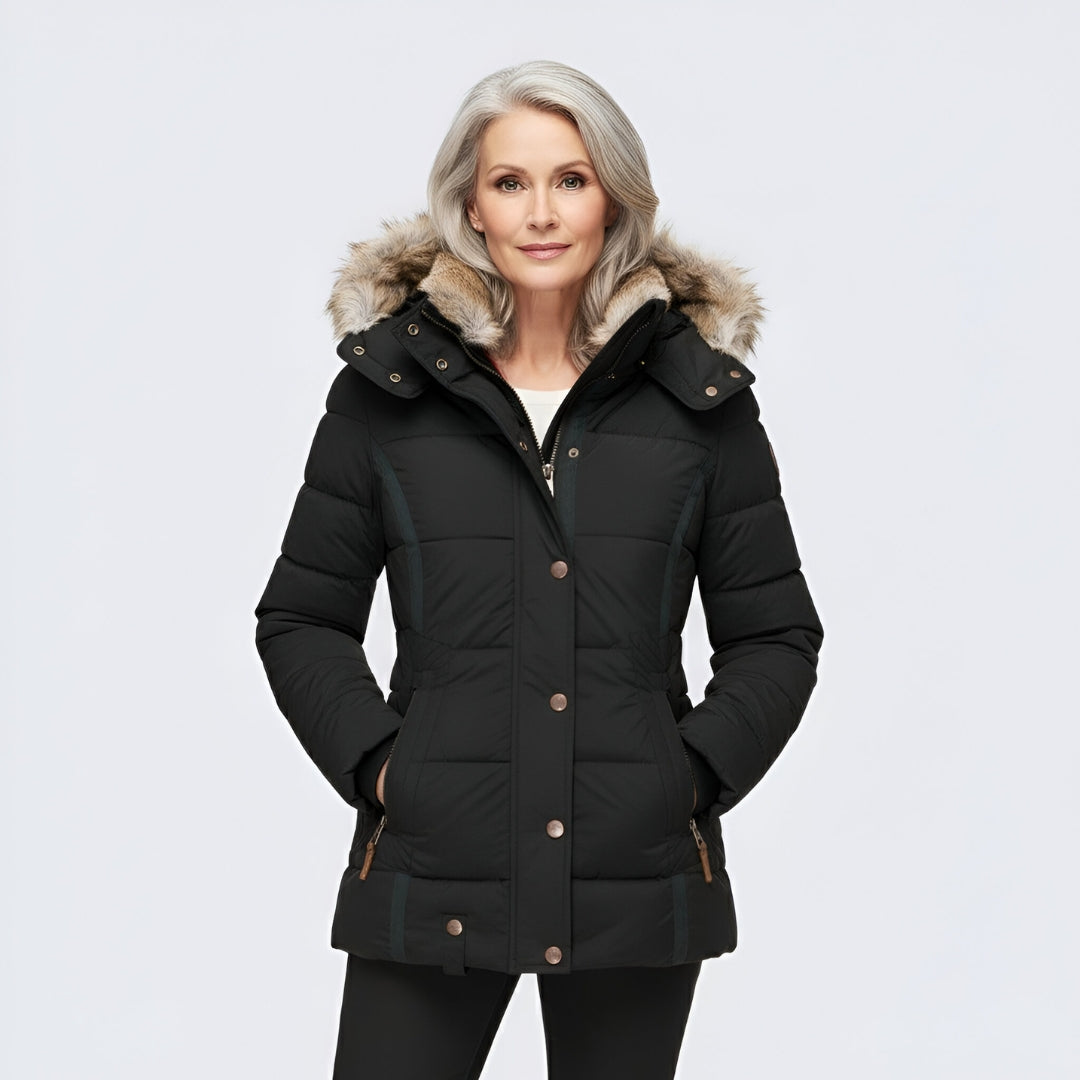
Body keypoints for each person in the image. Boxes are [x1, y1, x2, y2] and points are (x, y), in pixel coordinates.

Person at [254, 59, 824, 1080]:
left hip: (634, 877)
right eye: (510, 182)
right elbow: (301, 617)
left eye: (571, 179)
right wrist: (386, 770)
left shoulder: (700, 402)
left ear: (615, 198)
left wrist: (685, 781)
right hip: (433, 865)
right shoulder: (387, 391)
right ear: (470, 204)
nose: (542, 212)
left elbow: (777, 636)